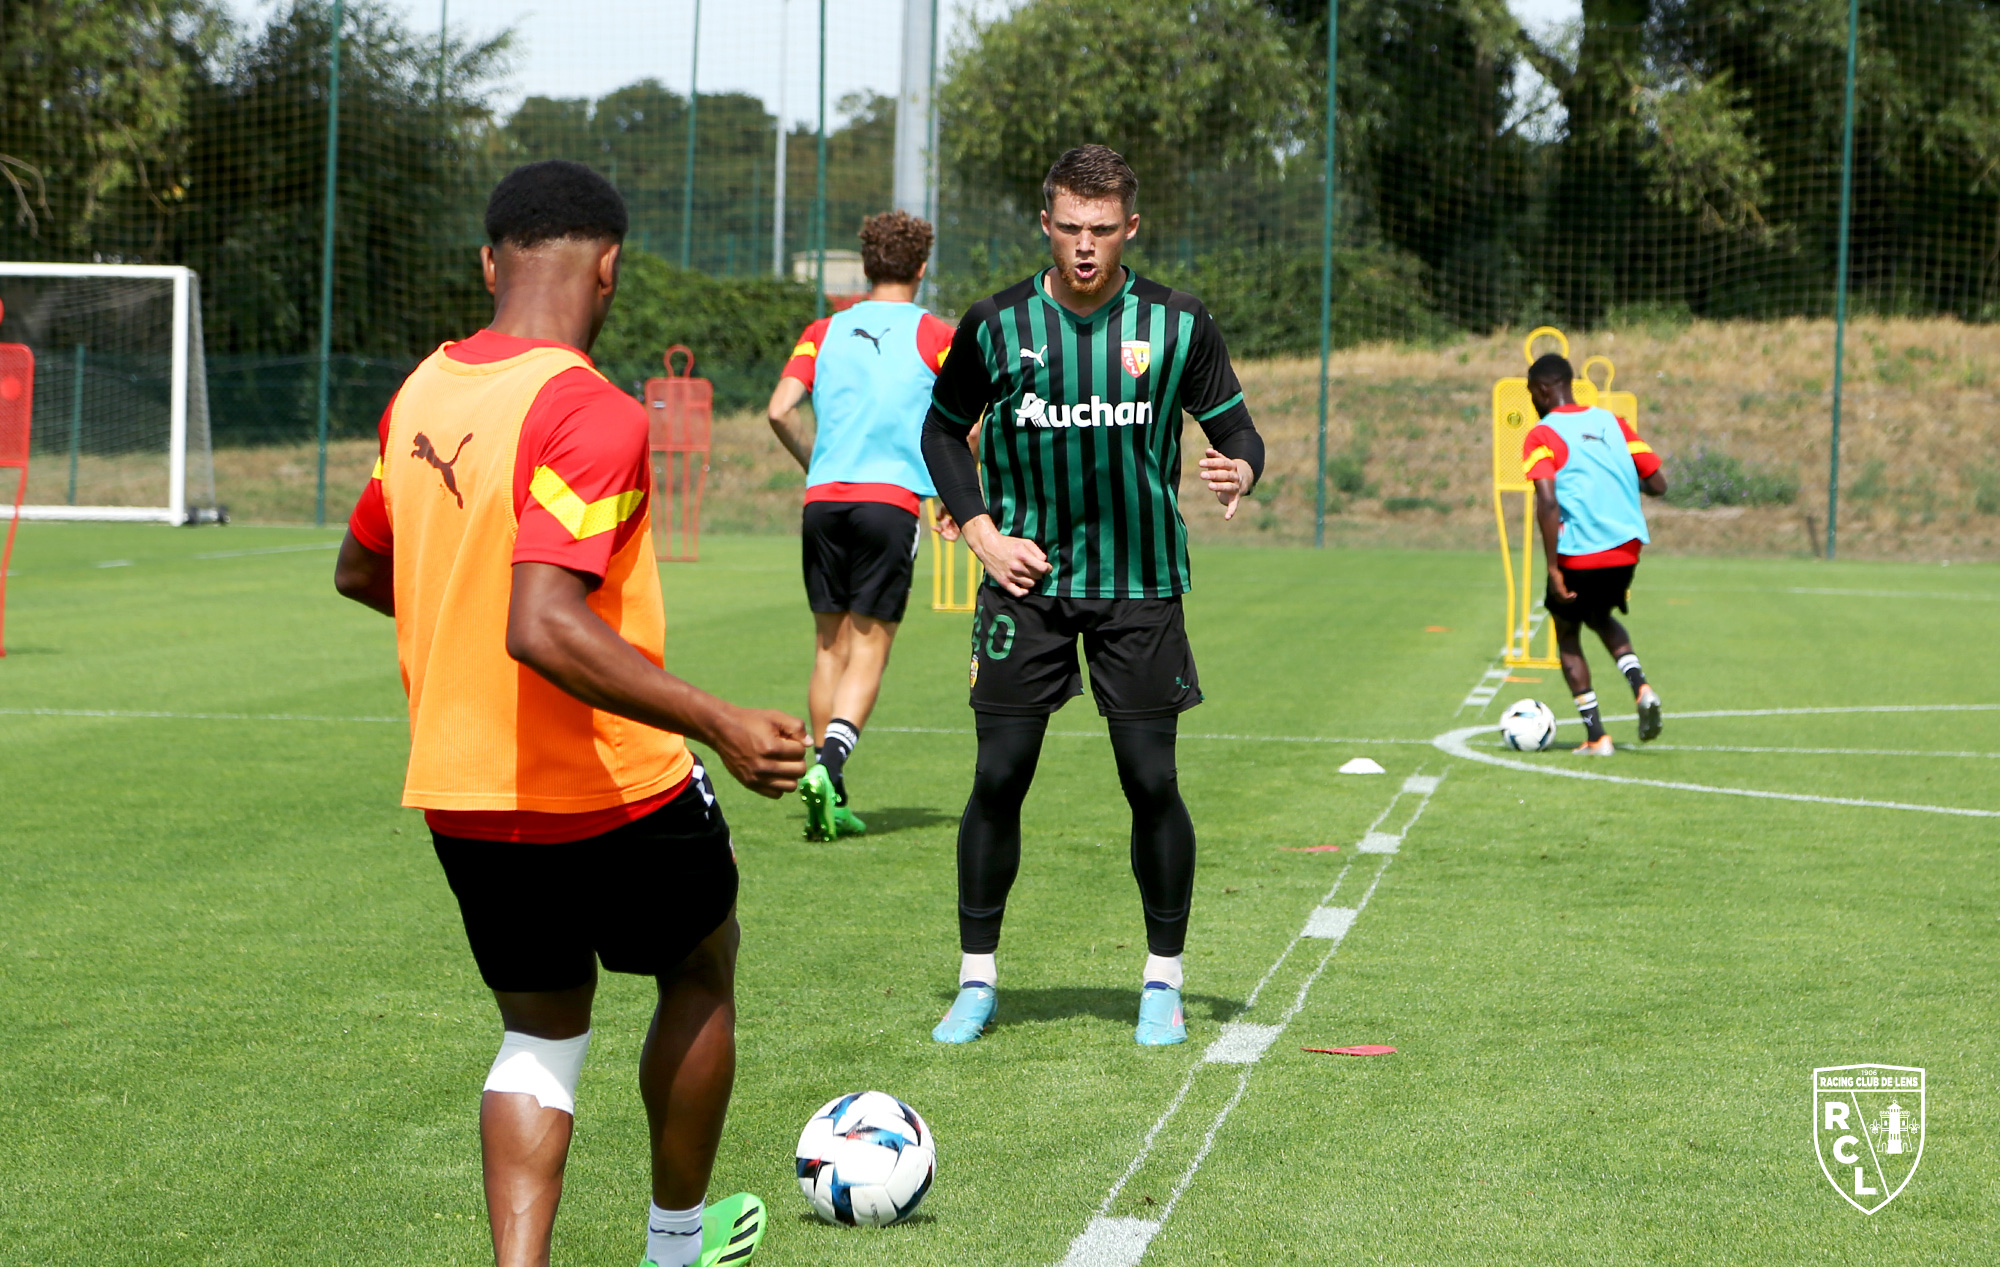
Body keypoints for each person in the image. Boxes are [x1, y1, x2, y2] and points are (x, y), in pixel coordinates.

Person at [332, 159, 807, 1267]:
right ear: (610, 267)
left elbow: (362, 568)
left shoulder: (423, 391)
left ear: (490, 263)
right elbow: (541, 623)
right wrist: (717, 718)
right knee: (698, 962)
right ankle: (675, 1246)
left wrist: (455, 595)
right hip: (606, 788)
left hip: (459, 788)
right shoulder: (591, 409)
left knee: (539, 1032)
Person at [919, 144, 1264, 1048]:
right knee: (999, 775)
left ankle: (1162, 979)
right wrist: (984, 533)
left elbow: (1235, 427)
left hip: (1139, 583)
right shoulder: (993, 324)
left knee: (1150, 779)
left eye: (1102, 230)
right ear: (1045, 224)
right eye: (1069, 228)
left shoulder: (1178, 324)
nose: (1084, 246)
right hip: (1024, 585)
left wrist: (1241, 469)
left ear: (1130, 229)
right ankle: (977, 979)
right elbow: (943, 432)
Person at [766, 210, 955, 841]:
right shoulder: (936, 335)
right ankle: (830, 765)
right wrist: (959, 492)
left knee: (829, 645)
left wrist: (816, 462)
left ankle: (831, 792)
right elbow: (973, 423)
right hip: (889, 504)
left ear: (866, 265)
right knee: (871, 645)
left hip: (822, 502)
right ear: (922, 268)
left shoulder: (823, 330)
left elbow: (779, 410)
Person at [1522, 352, 1668, 755]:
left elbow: (1548, 502)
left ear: (1545, 388)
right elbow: (1657, 483)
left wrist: (1553, 568)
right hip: (1626, 548)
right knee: (1601, 616)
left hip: (1580, 552)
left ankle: (1596, 735)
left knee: (1567, 631)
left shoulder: (1542, 434)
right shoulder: (1613, 423)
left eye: (1531, 391)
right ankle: (1641, 687)